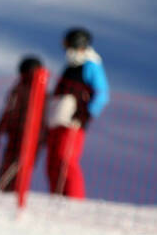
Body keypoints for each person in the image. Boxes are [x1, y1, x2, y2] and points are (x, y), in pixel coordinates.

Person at [45, 27, 109, 198]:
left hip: (73, 122)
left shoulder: (91, 65)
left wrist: (85, 114)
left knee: (65, 159)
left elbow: (102, 93)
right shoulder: (70, 66)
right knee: (52, 162)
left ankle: (73, 199)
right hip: (56, 120)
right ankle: (56, 197)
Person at [0, 56, 45, 191]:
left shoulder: (40, 92)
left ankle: (16, 192)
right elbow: (8, 111)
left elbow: (43, 119)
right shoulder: (18, 89)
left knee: (21, 166)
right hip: (15, 134)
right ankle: (5, 190)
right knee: (10, 164)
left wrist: (40, 137)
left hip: (31, 137)